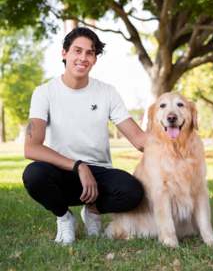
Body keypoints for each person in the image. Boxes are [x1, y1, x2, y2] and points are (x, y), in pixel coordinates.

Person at [23, 26, 147, 245]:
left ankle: (93, 211)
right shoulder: (44, 92)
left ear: (95, 59)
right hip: (63, 172)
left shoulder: (107, 92)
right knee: (33, 174)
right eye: (77, 51)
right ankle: (65, 217)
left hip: (99, 175)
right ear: (65, 53)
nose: (83, 58)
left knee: (133, 192)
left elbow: (139, 139)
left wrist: (175, 137)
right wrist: (79, 166)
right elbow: (31, 147)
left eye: (90, 53)